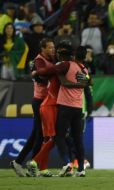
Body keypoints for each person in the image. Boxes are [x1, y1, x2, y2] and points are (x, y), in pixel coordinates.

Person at [32, 43, 87, 177]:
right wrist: (80, 84)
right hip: (78, 107)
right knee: (78, 139)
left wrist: (35, 72)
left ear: (61, 55)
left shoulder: (63, 65)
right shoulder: (82, 68)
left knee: (58, 137)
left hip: (65, 106)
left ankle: (66, 164)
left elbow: (47, 72)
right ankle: (81, 169)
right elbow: (88, 82)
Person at [10, 38, 55, 177]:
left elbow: (44, 74)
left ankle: (19, 162)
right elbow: (40, 78)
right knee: (39, 135)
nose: (52, 50)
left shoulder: (50, 60)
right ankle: (31, 166)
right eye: (49, 47)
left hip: (45, 101)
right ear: (42, 49)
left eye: (53, 47)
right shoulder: (38, 61)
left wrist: (50, 71)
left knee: (37, 134)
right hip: (40, 101)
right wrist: (52, 72)